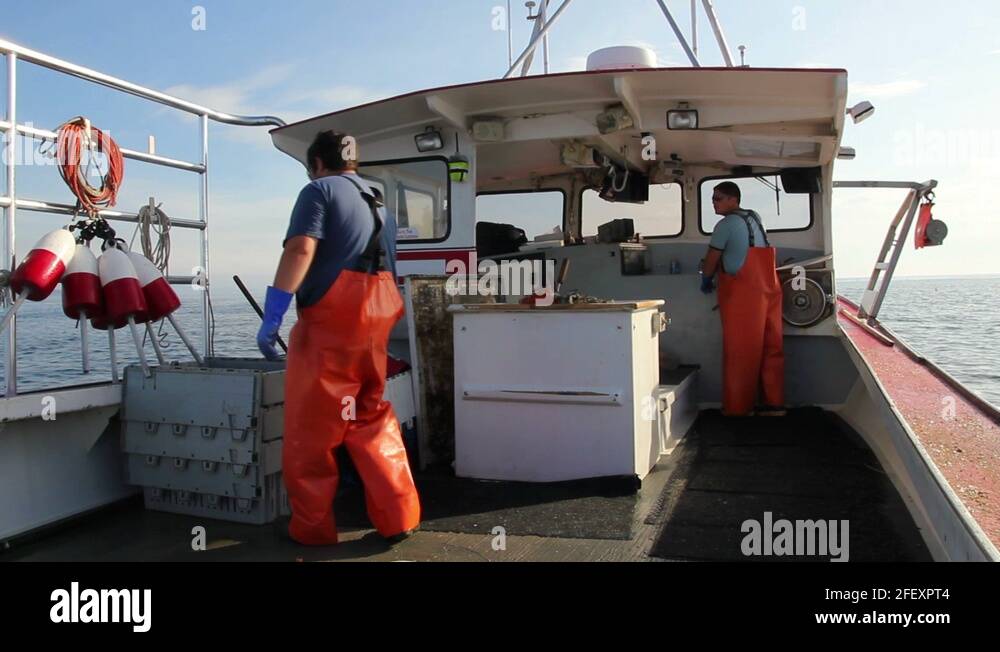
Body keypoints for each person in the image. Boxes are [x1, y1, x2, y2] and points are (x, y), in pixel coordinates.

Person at [257, 130, 421, 545]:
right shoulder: (377, 200)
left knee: (312, 433)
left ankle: (311, 531)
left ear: (316, 164)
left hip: (333, 326)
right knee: (368, 416)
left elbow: (299, 251)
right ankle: (400, 515)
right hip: (378, 318)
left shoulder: (318, 191)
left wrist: (274, 311)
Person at [700, 181, 785, 417]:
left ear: (732, 200)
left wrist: (706, 278)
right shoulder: (754, 217)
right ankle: (774, 404)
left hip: (745, 295)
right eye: (713, 198)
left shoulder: (725, 225)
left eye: (718, 198)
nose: (713, 203)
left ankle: (738, 408)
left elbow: (711, 258)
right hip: (770, 288)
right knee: (772, 348)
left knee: (741, 351)